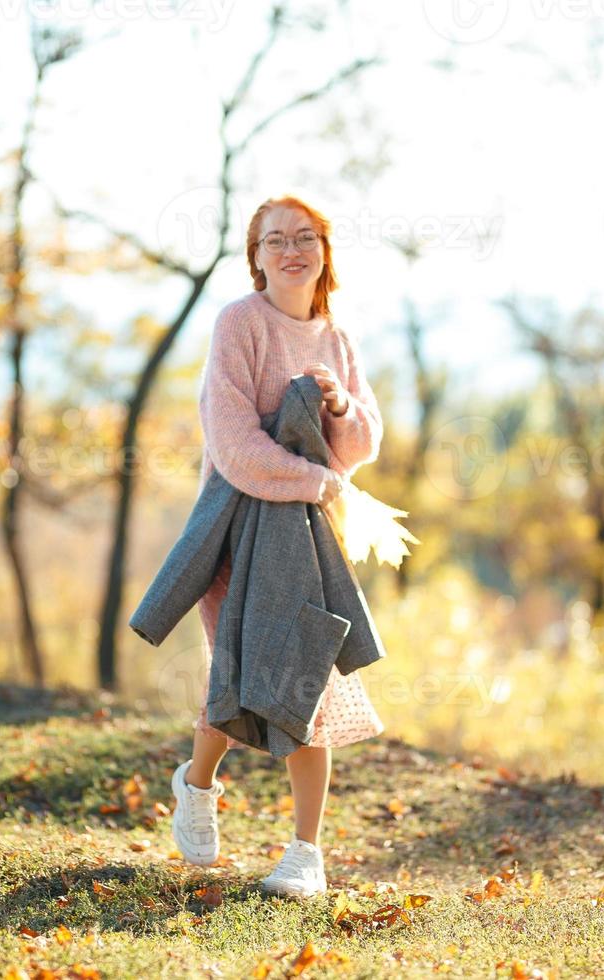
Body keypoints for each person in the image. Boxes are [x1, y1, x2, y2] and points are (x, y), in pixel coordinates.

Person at [169, 195, 386, 899]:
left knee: (312, 678)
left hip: (309, 531)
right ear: (256, 255)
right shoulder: (239, 324)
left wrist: (340, 408)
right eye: (275, 240)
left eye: (305, 237)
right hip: (237, 530)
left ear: (323, 249)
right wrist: (316, 479)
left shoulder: (338, 338)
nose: (291, 250)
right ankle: (197, 784)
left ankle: (305, 854)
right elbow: (231, 443)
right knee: (236, 676)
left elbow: (361, 446)